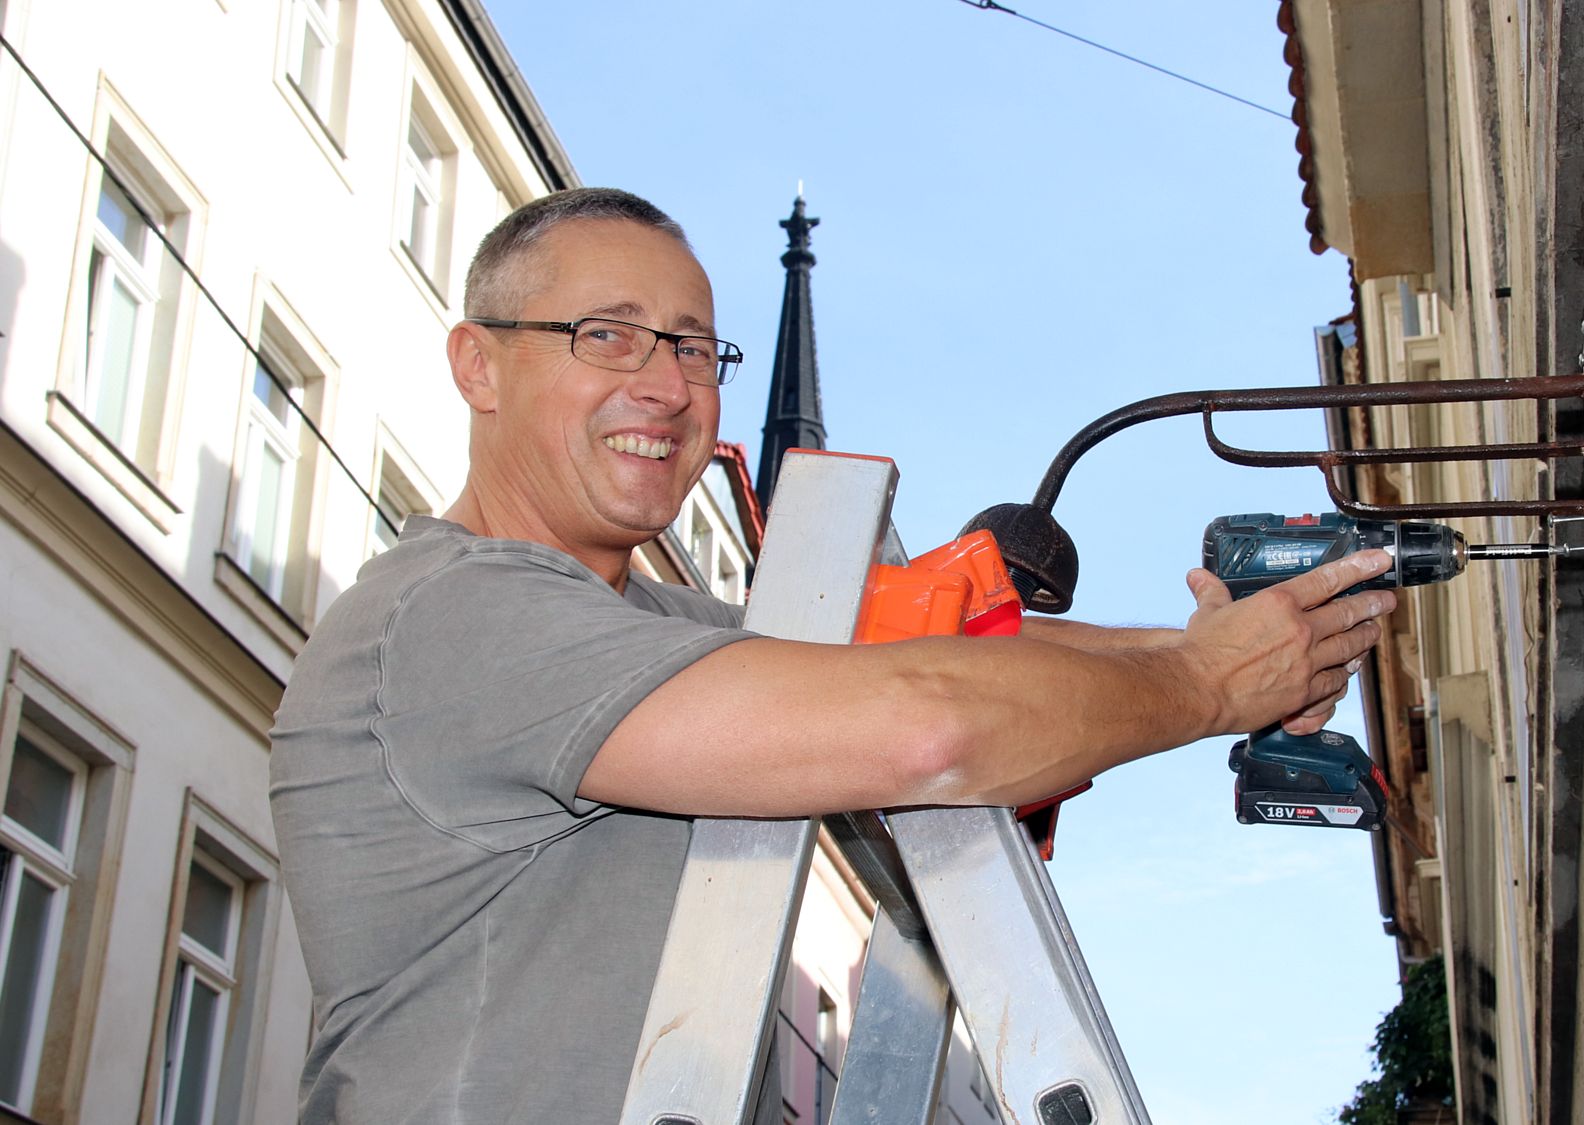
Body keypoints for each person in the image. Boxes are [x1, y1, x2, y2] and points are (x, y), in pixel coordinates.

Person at [269, 187, 1394, 1123]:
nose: (667, 385)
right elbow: (929, 722)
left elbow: (964, 650)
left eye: (695, 348)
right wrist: (1204, 683)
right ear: (478, 366)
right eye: (603, 335)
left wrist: (1243, 646)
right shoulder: (456, 616)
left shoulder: (657, 631)